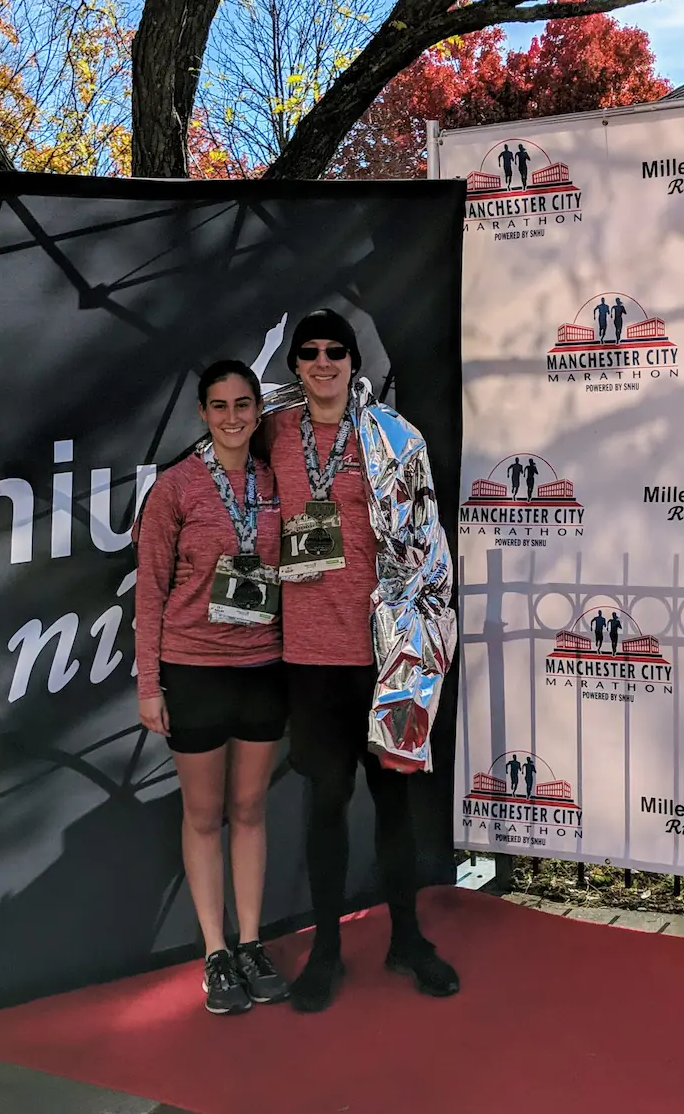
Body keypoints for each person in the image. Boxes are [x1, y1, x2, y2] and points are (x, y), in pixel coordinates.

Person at [265, 308, 460, 1012]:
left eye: (335, 351)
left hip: (387, 655)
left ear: (353, 362)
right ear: (294, 365)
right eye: (309, 352)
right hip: (309, 656)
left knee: (393, 801)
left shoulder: (393, 436)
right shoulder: (270, 433)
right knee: (324, 803)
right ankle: (325, 951)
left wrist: (418, 634)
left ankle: (407, 939)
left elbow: (424, 538)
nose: (323, 362)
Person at [135, 360, 290, 1016]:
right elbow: (149, 588)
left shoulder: (275, 483)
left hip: (263, 667)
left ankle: (251, 943)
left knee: (250, 809)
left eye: (243, 404)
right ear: (202, 413)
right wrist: (150, 684)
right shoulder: (176, 488)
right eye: (219, 406)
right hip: (193, 667)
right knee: (203, 815)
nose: (232, 416)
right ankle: (215, 952)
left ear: (257, 410)